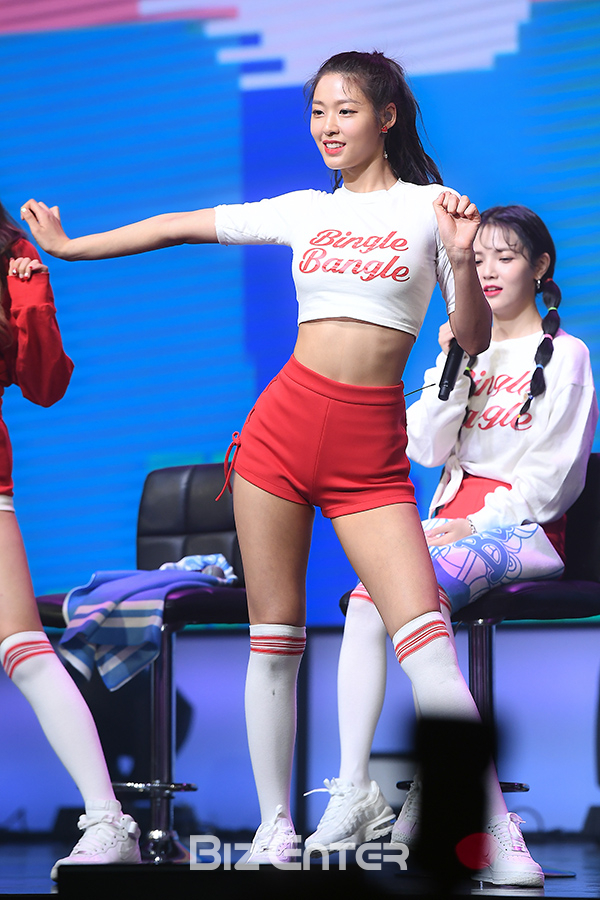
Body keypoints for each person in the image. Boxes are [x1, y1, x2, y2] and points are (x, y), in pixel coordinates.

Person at [21, 47, 523, 875]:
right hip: (277, 439)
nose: (328, 126)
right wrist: (73, 249)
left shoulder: (432, 209)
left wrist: (464, 258)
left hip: (369, 455)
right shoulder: (303, 210)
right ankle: (274, 828)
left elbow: (470, 337)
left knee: (428, 646)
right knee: (274, 641)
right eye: (317, 112)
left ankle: (495, 831)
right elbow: (177, 226)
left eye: (345, 110)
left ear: (387, 117)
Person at [305, 204, 598, 886]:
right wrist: (456, 362)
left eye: (505, 258)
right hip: (444, 525)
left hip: (522, 531)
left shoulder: (569, 355)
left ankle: (489, 822)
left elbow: (555, 478)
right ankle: (356, 789)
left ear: (540, 267)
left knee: (407, 599)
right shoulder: (464, 348)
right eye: (477, 259)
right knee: (366, 600)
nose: (488, 272)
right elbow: (423, 447)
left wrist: (480, 522)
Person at [0, 202, 141, 881]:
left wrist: (29, 301)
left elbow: (47, 384)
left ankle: (108, 819)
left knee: (24, 650)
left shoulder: (15, 257)